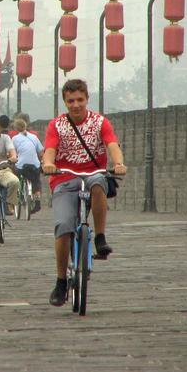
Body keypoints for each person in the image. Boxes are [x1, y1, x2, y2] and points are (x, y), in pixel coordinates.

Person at [41, 78, 126, 307]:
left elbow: (112, 145)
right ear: (65, 102)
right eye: (71, 101)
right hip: (64, 178)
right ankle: (60, 281)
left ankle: (99, 236)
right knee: (64, 227)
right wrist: (48, 163)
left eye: (80, 100)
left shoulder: (100, 122)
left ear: (87, 99)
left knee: (99, 183)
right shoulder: (57, 125)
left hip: (94, 174)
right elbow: (50, 150)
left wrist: (118, 163)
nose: (76, 105)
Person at [12, 118, 44, 215]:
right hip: (35, 165)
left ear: (16, 128)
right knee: (36, 181)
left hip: (21, 166)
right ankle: (37, 201)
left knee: (14, 175)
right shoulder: (34, 137)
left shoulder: (15, 138)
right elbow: (41, 151)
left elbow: (12, 153)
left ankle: (18, 192)